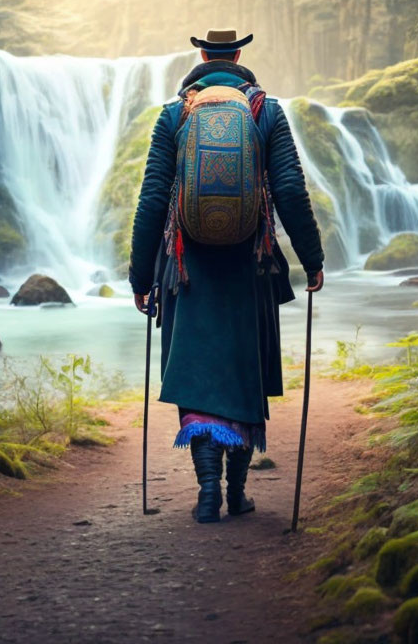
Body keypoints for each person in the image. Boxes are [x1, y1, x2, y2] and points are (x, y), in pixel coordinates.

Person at [129, 28, 324, 523]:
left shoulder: (175, 115)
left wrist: (139, 276)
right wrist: (313, 258)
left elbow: (152, 198)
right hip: (250, 264)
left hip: (185, 269)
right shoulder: (266, 112)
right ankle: (237, 493)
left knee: (197, 374)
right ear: (238, 55)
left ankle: (209, 492)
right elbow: (289, 191)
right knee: (244, 370)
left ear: (201, 56)